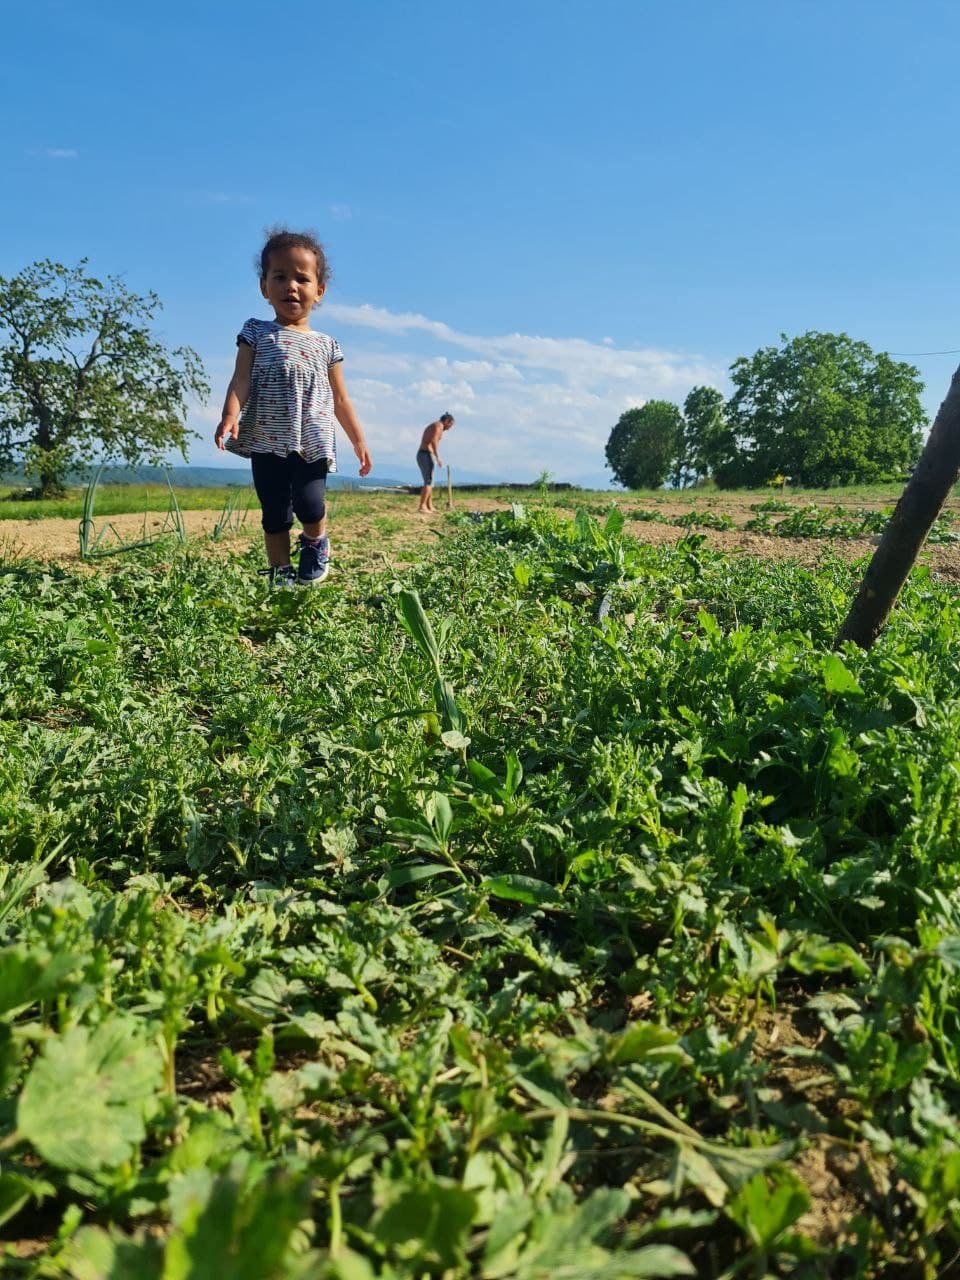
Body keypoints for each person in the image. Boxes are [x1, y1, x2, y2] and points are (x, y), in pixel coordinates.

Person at [214, 228, 372, 586]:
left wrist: (358, 441)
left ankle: (316, 541)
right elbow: (241, 379)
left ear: (319, 291)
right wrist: (229, 415)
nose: (291, 286)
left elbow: (341, 398)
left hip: (313, 438)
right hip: (265, 438)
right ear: (264, 287)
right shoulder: (255, 332)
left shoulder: (327, 345)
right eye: (280, 276)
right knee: (275, 513)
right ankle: (280, 571)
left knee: (310, 504)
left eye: (302, 278)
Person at [416, 413, 454, 513]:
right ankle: (422, 506)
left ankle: (429, 505)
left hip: (425, 454)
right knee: (428, 481)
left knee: (430, 482)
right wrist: (438, 457)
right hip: (425, 454)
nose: (450, 428)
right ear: (447, 421)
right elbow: (434, 441)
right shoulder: (439, 426)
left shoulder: (436, 425)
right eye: (450, 425)